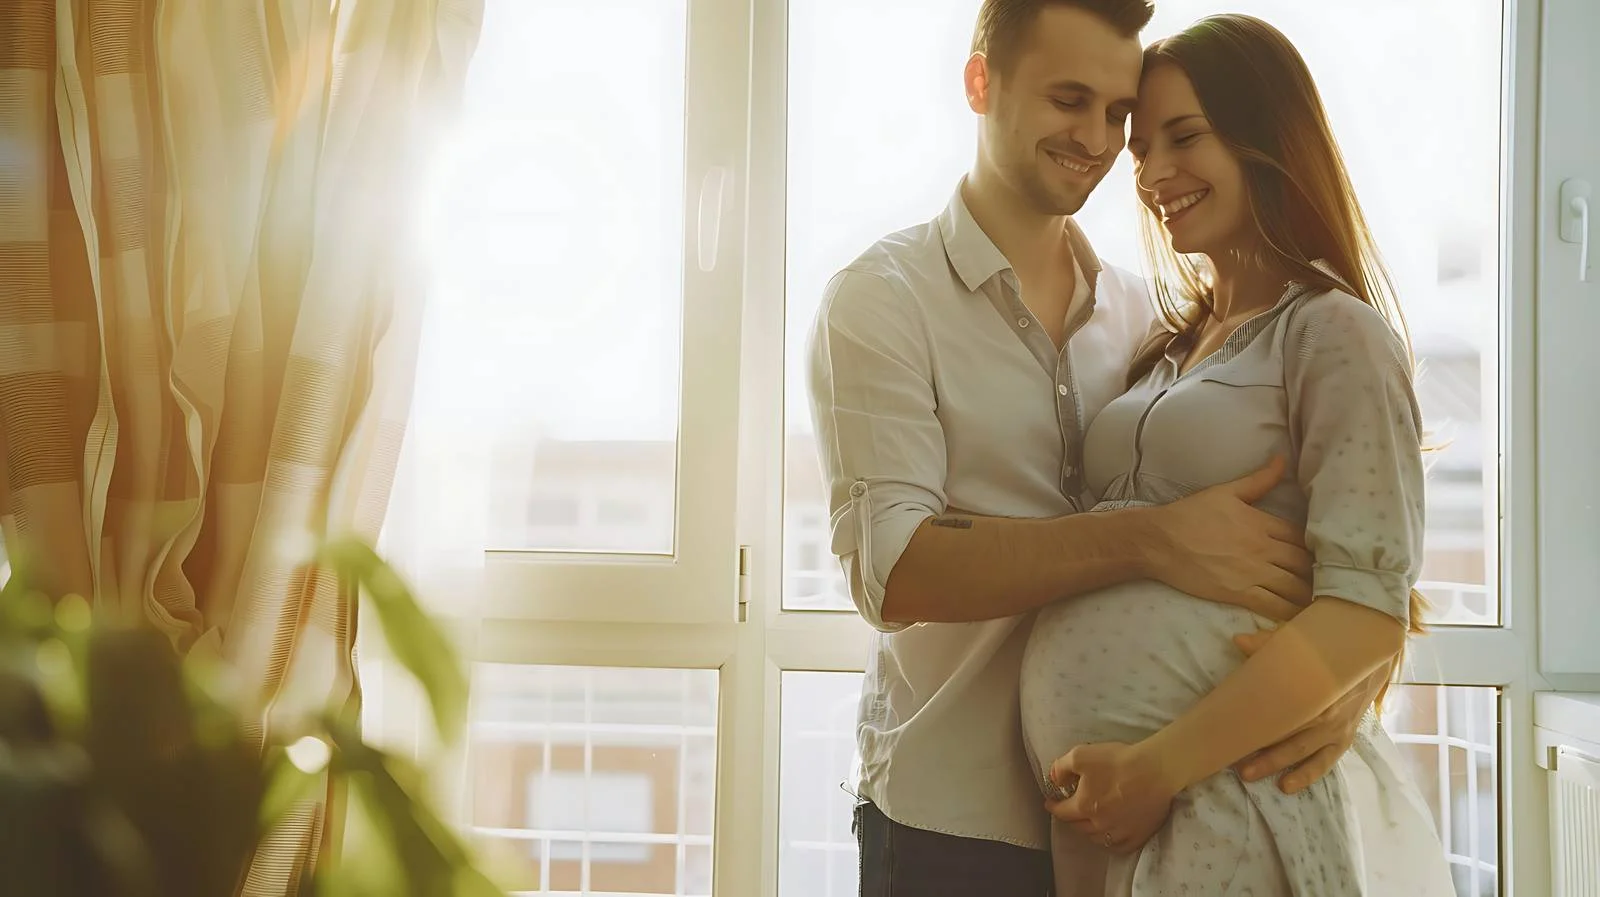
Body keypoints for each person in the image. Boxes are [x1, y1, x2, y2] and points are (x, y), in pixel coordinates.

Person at [806, 2, 1394, 894]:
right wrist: (1151, 535)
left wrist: (1342, 682)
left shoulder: (1148, 326)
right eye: (1067, 99)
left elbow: (1345, 541)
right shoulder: (882, 302)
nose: (1100, 139)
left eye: (1118, 113)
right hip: (951, 825)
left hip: (1138, 824)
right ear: (980, 82)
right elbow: (897, 571)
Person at [1017, 13, 1456, 896]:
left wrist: (1158, 767)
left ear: (1266, 140)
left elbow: (1365, 608)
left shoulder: (1334, 332)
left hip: (1223, 794)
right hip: (1114, 810)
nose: (1153, 172)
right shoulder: (1169, 346)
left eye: (1186, 137)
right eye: (1142, 149)